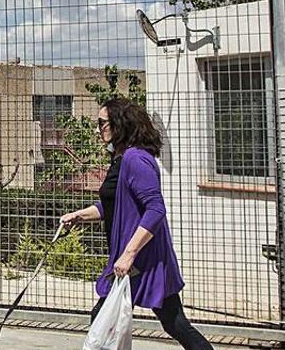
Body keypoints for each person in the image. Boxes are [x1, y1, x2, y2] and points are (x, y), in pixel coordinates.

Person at [61, 97, 213, 349]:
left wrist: (129, 254)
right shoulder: (121, 159)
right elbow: (114, 205)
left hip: (143, 259)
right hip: (134, 258)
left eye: (102, 123)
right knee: (170, 322)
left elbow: (155, 209)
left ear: (120, 124)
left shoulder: (136, 159)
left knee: (114, 319)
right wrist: (78, 216)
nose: (99, 129)